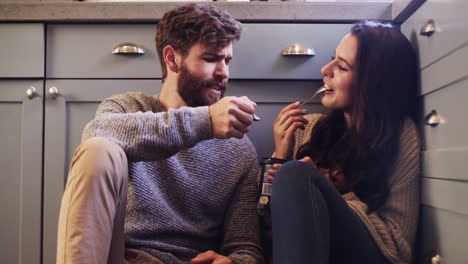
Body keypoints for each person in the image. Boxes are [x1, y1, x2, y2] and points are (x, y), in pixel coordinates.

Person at [56, 3, 264, 264]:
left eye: (227, 60)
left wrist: (234, 262)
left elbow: (247, 247)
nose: (223, 72)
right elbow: (95, 133)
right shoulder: (125, 108)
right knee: (98, 149)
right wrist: (205, 122)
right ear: (172, 59)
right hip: (120, 258)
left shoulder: (238, 148)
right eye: (211, 59)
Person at [268, 21, 420, 264]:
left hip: (374, 256)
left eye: (341, 67)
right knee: (294, 172)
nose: (325, 70)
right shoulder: (306, 130)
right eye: (331, 60)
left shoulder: (400, 134)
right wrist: (281, 155)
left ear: (372, 83)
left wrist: (329, 192)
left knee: (298, 173)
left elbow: (398, 249)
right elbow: (268, 227)